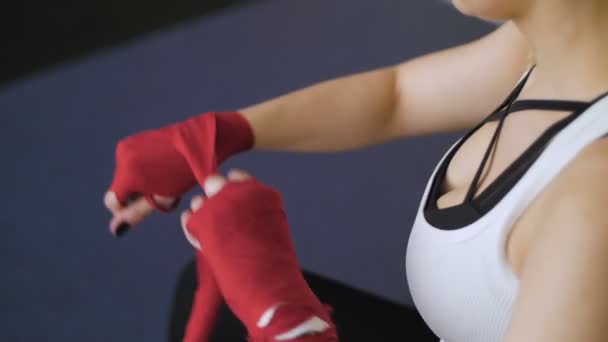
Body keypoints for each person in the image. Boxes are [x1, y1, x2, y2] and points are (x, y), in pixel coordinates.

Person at [103, 0, 608, 341]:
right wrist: (216, 135)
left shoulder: (593, 200)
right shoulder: (547, 44)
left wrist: (287, 319)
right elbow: (397, 98)